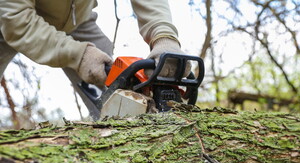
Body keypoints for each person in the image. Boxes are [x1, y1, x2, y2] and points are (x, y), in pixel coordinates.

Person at [0, 0, 189, 117]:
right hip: (9, 18)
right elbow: (15, 20)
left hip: (78, 21)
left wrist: (164, 36)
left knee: (117, 82)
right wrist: (78, 55)